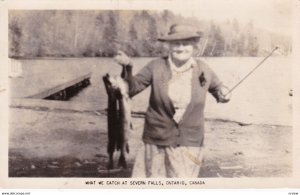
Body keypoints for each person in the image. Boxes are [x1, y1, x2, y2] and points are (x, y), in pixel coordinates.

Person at [114, 24, 231, 178]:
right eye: (176, 43)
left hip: (191, 142)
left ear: (194, 46)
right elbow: (131, 88)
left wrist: (224, 93)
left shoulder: (203, 68)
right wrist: (128, 67)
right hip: (156, 141)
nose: (181, 48)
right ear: (169, 46)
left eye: (186, 43)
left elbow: (218, 88)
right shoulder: (155, 66)